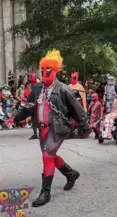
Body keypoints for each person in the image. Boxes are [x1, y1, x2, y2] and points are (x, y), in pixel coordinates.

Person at [13, 50, 91, 207]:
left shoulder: (63, 89)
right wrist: (17, 117)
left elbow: (77, 109)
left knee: (47, 157)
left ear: (55, 71)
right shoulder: (36, 89)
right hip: (42, 129)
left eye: (48, 70)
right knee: (51, 156)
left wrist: (85, 126)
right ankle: (71, 174)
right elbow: (27, 107)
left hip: (57, 128)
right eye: (42, 70)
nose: (44, 73)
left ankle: (45, 192)